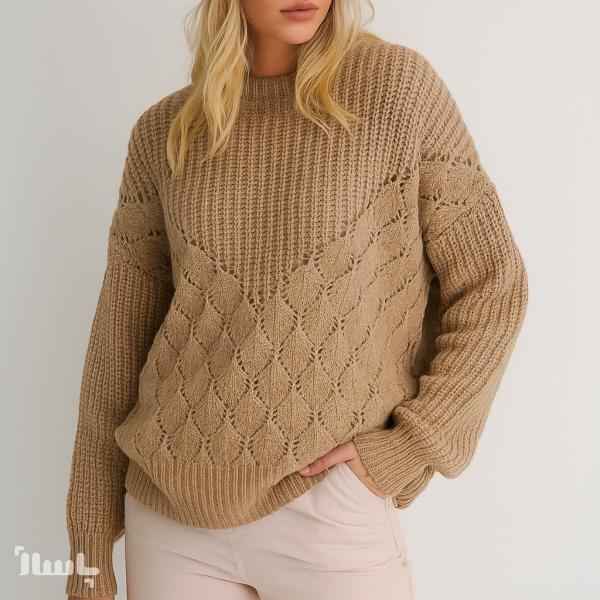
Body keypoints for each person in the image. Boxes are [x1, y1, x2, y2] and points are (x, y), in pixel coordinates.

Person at [64, 1, 529, 598]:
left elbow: (493, 285)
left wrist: (407, 449)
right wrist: (88, 550)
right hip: (169, 516)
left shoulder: (397, 90)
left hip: (330, 510)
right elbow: (118, 344)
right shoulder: (164, 132)